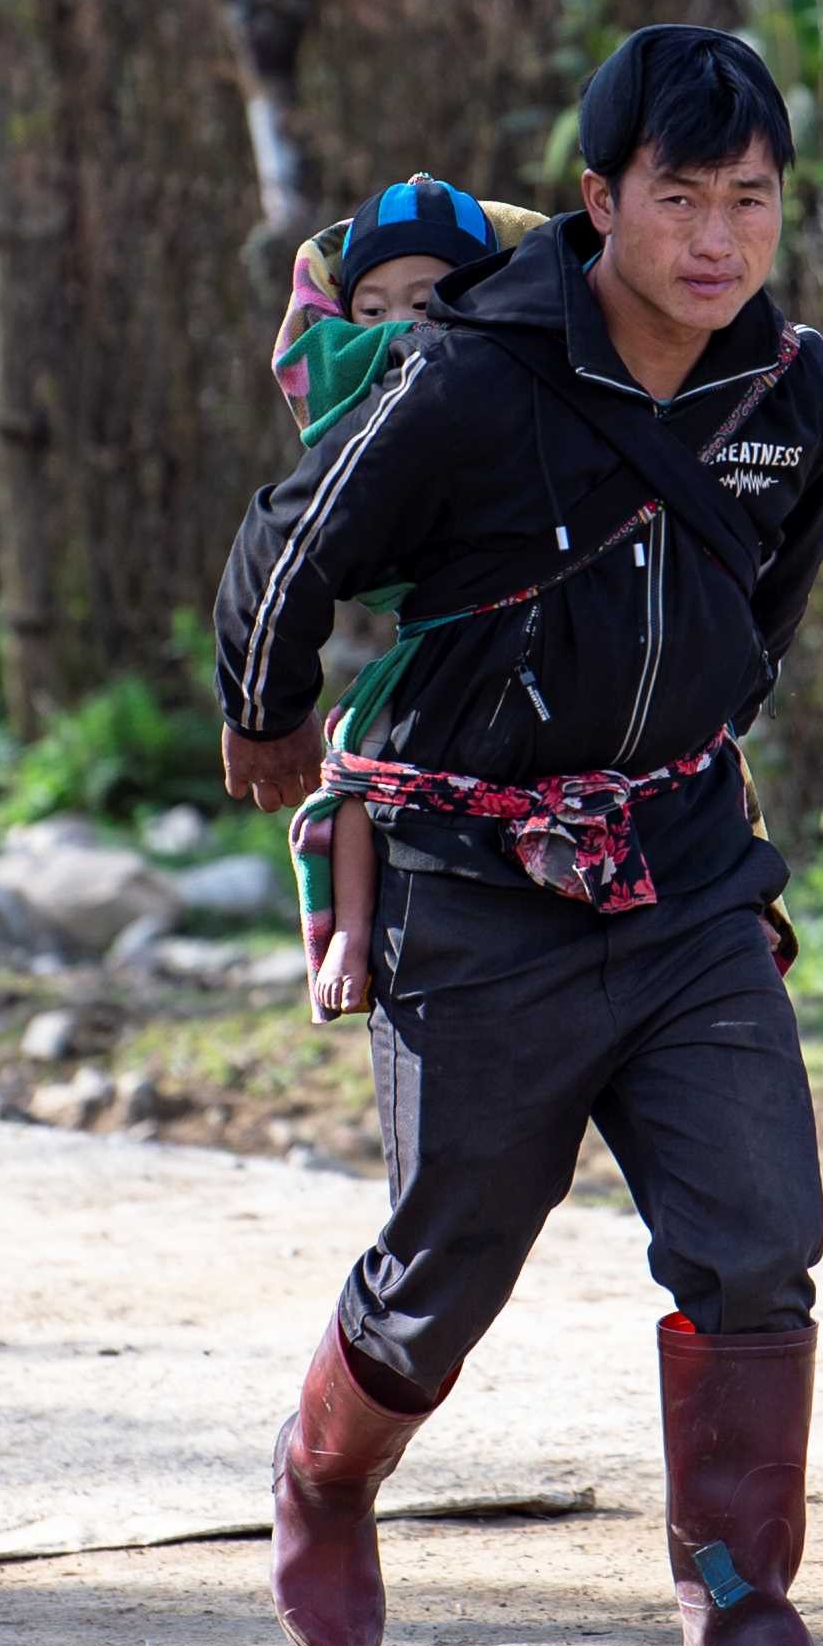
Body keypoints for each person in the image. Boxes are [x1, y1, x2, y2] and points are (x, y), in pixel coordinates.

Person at [211, 24, 823, 1646]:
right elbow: (295, 539)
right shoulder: (467, 380)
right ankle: (326, 1471)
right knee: (449, 1259)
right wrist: (267, 716)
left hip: (680, 877)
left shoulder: (785, 399)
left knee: (754, 1238)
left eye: (751, 199)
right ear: (597, 202)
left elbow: (754, 622)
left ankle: (740, 1613)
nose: (718, 240)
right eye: (679, 197)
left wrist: (662, 762)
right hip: (469, 882)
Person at [262, 175, 545, 1019]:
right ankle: (351, 928)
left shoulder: (530, 377)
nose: (397, 331)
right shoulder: (361, 413)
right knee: (358, 758)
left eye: (424, 304)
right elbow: (296, 542)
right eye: (372, 310)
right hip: (436, 631)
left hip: (541, 619)